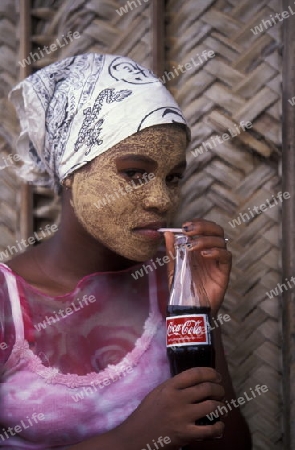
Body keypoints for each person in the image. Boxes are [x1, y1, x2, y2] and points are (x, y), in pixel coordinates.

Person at [0, 53, 252, 449]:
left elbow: (227, 443)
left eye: (173, 178)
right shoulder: (6, 302)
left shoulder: (174, 285)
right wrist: (132, 438)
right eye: (134, 173)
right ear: (70, 170)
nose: (161, 199)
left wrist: (197, 316)